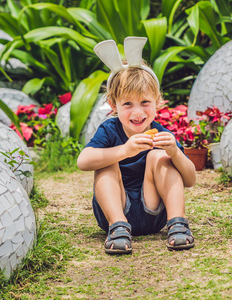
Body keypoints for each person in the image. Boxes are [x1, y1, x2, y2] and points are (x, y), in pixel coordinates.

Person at [77, 37, 197, 255]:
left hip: (153, 213)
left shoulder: (162, 134)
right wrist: (124, 151)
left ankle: (178, 223)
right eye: (128, 104)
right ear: (114, 105)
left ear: (157, 101)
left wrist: (174, 153)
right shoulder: (109, 130)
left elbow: (190, 179)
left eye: (145, 102)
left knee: (158, 157)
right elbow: (83, 161)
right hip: (114, 214)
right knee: (105, 161)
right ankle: (119, 226)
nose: (138, 112)